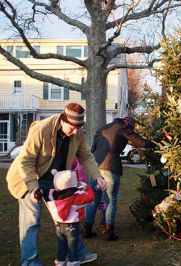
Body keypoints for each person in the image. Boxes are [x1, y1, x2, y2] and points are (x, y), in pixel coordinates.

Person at [6, 102, 107, 265]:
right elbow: (26, 161)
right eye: (72, 127)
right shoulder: (41, 129)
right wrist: (33, 187)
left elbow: (86, 156)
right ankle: (30, 262)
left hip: (55, 181)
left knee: (66, 218)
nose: (75, 131)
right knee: (31, 222)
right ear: (63, 119)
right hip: (28, 180)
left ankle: (77, 253)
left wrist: (97, 176)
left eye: (78, 127)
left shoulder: (77, 132)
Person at [85, 115, 156, 241]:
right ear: (129, 124)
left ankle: (87, 230)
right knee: (110, 200)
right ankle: (108, 232)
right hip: (110, 168)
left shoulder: (103, 128)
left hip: (95, 167)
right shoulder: (124, 128)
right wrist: (159, 140)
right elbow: (142, 143)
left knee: (93, 199)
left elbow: (93, 148)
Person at [45, 169, 94, 266]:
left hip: (59, 225)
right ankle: (73, 262)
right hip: (71, 226)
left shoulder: (52, 195)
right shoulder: (75, 199)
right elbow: (90, 197)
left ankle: (60, 261)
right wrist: (83, 185)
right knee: (72, 246)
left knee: (61, 245)